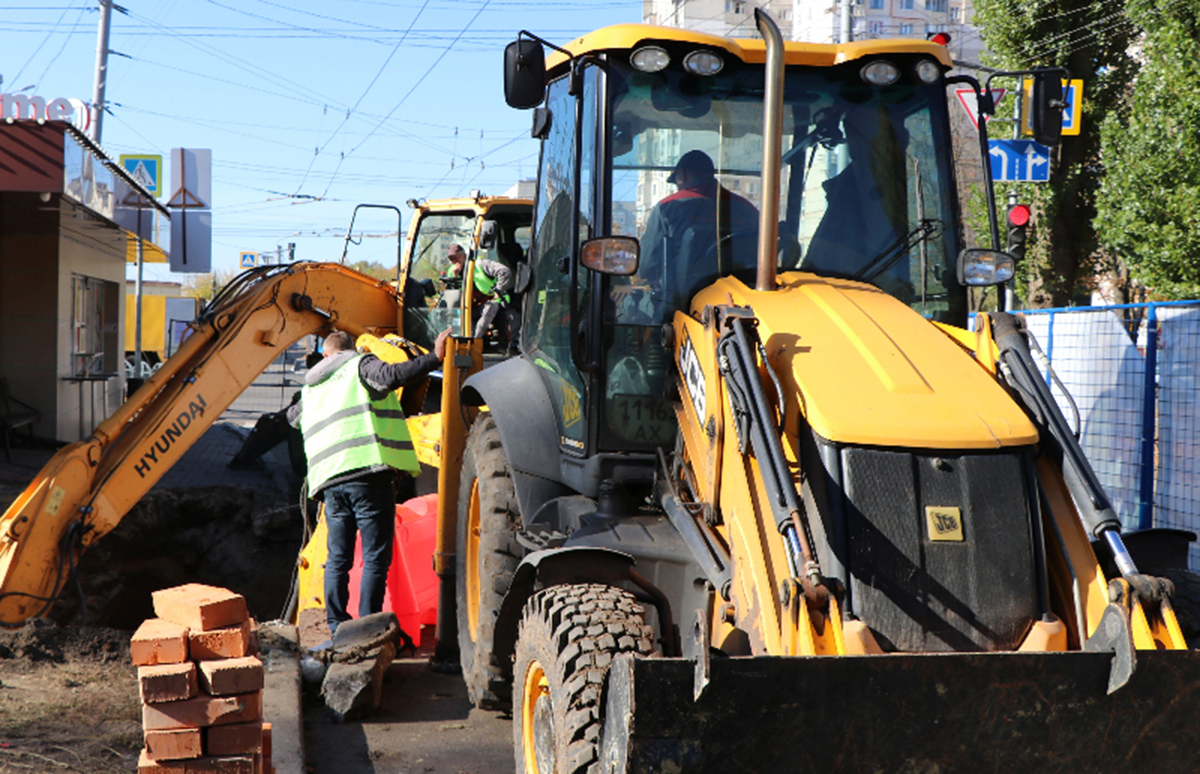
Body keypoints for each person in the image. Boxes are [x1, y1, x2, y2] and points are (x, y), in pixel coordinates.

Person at [288, 327, 451, 639]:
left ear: (324, 354)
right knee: (376, 557)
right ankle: (366, 627)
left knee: (338, 558)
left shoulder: (311, 387)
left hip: (330, 483)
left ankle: (336, 627)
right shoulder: (360, 366)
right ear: (352, 350)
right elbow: (394, 375)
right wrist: (434, 357)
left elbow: (292, 417)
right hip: (367, 476)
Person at [636, 150, 758, 310]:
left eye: (677, 182)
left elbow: (648, 266)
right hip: (743, 303)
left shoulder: (668, 208)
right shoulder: (747, 208)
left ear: (681, 174)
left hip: (680, 306)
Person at [444, 243, 515, 340]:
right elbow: (452, 294)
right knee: (460, 316)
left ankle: (474, 341)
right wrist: (455, 276)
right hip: (470, 304)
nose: (455, 261)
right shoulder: (451, 271)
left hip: (491, 299)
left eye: (457, 257)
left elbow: (504, 271)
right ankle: (464, 339)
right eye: (451, 259)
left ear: (464, 254)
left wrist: (498, 291)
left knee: (488, 311)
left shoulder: (480, 264)